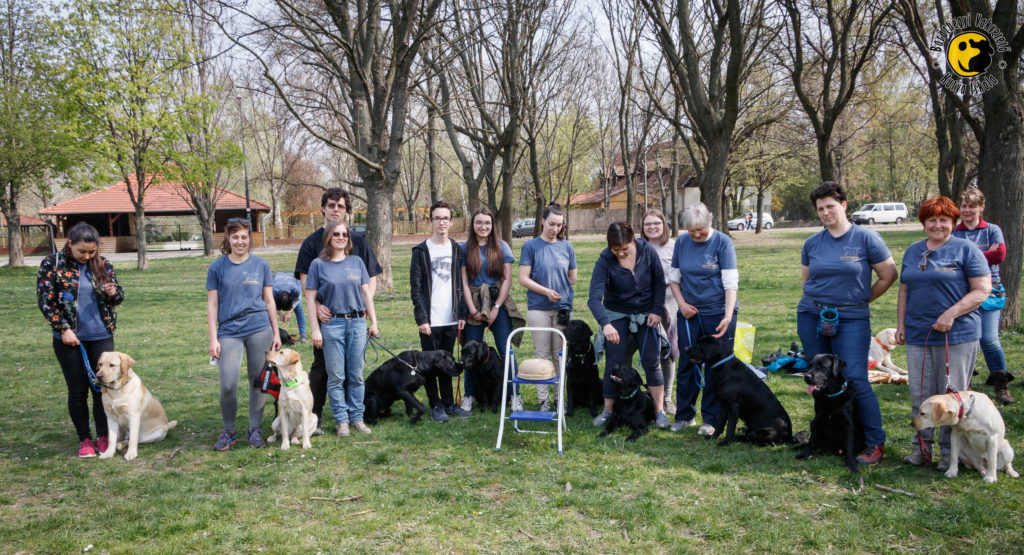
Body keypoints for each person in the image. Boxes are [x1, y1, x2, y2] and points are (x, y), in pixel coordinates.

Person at [798, 182, 897, 466]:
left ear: (843, 205)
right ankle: (825, 436)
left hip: (852, 318)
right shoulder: (812, 243)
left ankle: (875, 442)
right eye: (820, 208)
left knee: (855, 378)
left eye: (831, 206)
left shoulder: (866, 238)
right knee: (818, 379)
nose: (826, 212)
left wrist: (863, 300)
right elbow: (807, 282)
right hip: (812, 315)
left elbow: (888, 275)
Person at [897, 196, 990, 470]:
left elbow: (982, 290)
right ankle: (920, 449)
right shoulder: (913, 251)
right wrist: (901, 325)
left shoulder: (967, 250)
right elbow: (904, 290)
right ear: (923, 223)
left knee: (952, 399)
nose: (938, 226)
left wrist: (951, 314)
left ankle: (951, 455)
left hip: (957, 335)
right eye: (932, 220)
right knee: (920, 395)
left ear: (954, 222)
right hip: (918, 334)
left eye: (944, 220)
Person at [295, 188, 382, 435]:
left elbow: (369, 281)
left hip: (354, 319)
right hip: (328, 320)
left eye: (340, 206)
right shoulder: (311, 245)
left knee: (354, 373)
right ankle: (318, 415)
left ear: (346, 212)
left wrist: (364, 308)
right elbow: (306, 283)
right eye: (331, 205)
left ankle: (356, 417)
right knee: (324, 371)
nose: (335, 209)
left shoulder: (358, 244)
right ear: (323, 208)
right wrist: (319, 309)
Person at [37, 222, 124, 458]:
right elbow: (46, 301)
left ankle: (103, 436)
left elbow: (119, 298)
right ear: (70, 244)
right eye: (82, 251)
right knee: (77, 390)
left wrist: (114, 293)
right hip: (69, 339)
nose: (87, 256)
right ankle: (84, 439)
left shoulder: (103, 264)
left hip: (101, 336)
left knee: (102, 389)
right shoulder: (52, 264)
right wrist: (63, 328)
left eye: (92, 252)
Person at [206, 218, 281, 450]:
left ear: (250, 239)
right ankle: (229, 432)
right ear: (228, 239)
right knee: (228, 384)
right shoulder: (217, 267)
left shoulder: (261, 265)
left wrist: (276, 333)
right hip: (229, 331)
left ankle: (254, 429)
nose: (240, 241)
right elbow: (212, 305)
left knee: (258, 382)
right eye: (235, 237)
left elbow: (269, 300)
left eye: (244, 237)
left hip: (260, 328)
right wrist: (213, 338)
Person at [667, 203, 739, 436]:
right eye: (691, 230)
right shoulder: (681, 243)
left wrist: (728, 315)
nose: (696, 234)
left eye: (701, 230)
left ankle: (711, 419)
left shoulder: (722, 243)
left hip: (718, 312)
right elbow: (674, 279)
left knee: (715, 367)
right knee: (687, 363)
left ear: (710, 219)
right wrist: (682, 304)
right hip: (689, 312)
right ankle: (684, 415)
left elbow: (730, 283)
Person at [588, 222, 669, 428]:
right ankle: (608, 411)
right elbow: (594, 298)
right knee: (614, 364)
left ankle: (659, 411)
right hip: (616, 313)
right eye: (616, 250)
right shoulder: (605, 259)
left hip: (646, 313)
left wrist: (656, 310)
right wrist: (606, 324)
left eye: (625, 249)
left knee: (652, 361)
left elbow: (659, 283)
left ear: (633, 240)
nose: (621, 254)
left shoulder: (647, 251)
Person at [410, 200, 472, 422]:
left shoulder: (456, 249)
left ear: (451, 221)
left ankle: (449, 403)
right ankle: (435, 405)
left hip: (451, 318)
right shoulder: (421, 251)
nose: (442, 222)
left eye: (445, 218)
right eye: (437, 218)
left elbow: (461, 283)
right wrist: (422, 318)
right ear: (431, 221)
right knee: (430, 366)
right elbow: (416, 288)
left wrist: (462, 314)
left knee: (447, 364)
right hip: (430, 320)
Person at [460, 206, 525, 412]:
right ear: (473, 224)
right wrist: (473, 310)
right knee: (470, 353)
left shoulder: (502, 246)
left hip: (498, 303)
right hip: (474, 305)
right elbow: (462, 282)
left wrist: (496, 308)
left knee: (507, 351)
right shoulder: (464, 248)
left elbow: (507, 280)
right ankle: (469, 396)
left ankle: (515, 396)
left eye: (487, 223)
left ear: (492, 225)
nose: (483, 226)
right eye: (478, 222)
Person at [953, 189, 1014, 404]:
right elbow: (951, 260)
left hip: (991, 290)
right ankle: (964, 383)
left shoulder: (992, 230)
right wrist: (983, 254)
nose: (967, 210)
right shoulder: (954, 232)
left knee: (989, 339)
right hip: (962, 293)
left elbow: (1000, 255)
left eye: (972, 206)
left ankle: (1001, 382)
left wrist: (966, 256)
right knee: (966, 341)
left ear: (981, 207)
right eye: (964, 206)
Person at [518, 203, 577, 411]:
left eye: (559, 225)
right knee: (542, 356)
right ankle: (544, 402)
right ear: (542, 221)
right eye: (551, 224)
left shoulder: (567, 247)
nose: (555, 228)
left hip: (562, 309)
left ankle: (560, 399)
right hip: (539, 309)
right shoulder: (531, 246)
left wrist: (560, 291)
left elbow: (573, 277)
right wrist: (546, 291)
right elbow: (523, 279)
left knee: (559, 355)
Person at [640, 208, 678, 415]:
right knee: (643, 348)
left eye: (656, 223)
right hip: (643, 302)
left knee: (668, 350)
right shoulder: (637, 247)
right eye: (648, 224)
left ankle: (667, 397)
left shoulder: (674, 247)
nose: (652, 227)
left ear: (664, 224)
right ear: (642, 227)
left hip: (669, 302)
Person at [272, 271, 307, 343]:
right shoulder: (272, 291)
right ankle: (272, 334)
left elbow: (297, 299)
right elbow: (270, 304)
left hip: (293, 278)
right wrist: (280, 314)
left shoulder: (295, 290)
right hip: (276, 278)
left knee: (299, 308)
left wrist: (289, 312)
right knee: (271, 311)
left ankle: (303, 334)